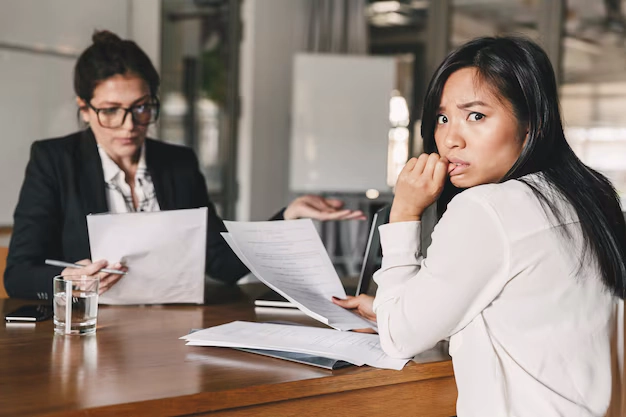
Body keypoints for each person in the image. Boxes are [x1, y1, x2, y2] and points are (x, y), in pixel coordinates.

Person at [333, 36, 626, 416]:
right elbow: (524, 313)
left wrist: (404, 211)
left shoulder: (488, 207)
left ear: (531, 125)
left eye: (476, 116)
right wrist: (396, 307)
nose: (450, 139)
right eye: (442, 118)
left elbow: (400, 339)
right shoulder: (589, 196)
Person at [4, 30, 364, 301]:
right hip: (91, 332)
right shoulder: (53, 161)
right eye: (111, 110)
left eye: (142, 107)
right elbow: (18, 274)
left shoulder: (177, 164)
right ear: (84, 109)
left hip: (173, 331)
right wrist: (69, 279)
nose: (130, 125)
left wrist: (287, 217)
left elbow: (222, 264)